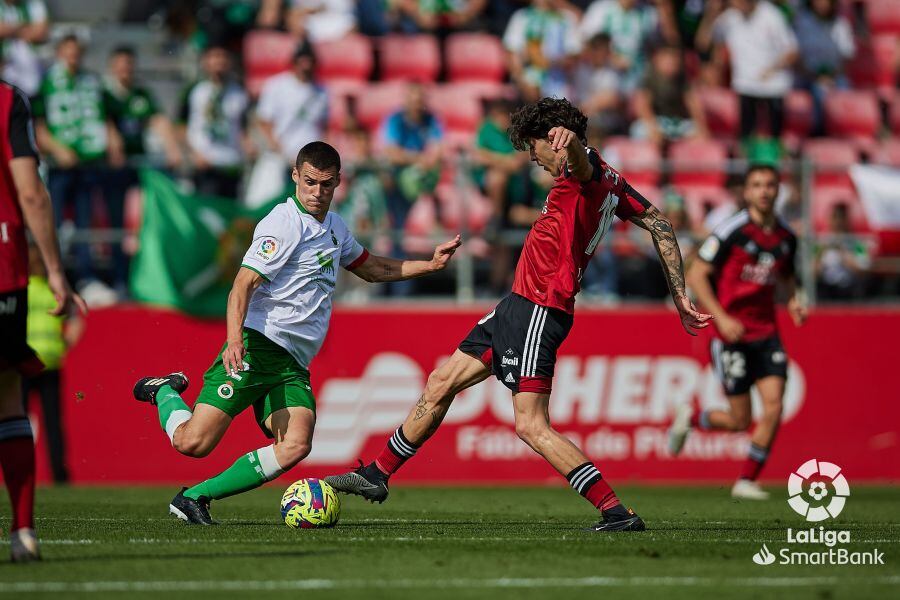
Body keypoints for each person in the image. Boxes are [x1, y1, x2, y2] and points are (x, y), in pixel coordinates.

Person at [325, 98, 711, 532]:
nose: (532, 157)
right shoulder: (611, 180)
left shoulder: (582, 173)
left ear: (554, 140)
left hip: (540, 309)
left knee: (530, 425)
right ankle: (377, 474)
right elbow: (660, 223)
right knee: (440, 383)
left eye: (534, 147)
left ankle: (616, 512)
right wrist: (680, 295)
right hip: (517, 304)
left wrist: (572, 144)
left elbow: (582, 163)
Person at [131, 141, 461, 525]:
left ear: (338, 182)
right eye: (310, 182)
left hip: (292, 364)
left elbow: (372, 269)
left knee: (296, 445)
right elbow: (242, 284)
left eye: (326, 184)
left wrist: (429, 265)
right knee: (193, 443)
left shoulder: (336, 227)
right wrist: (235, 340)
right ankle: (164, 391)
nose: (317, 192)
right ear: (295, 177)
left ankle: (195, 497)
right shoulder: (283, 224)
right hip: (257, 346)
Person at [669, 164, 807, 500]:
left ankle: (747, 480)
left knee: (773, 406)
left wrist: (793, 301)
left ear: (778, 190)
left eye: (770, 185)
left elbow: (787, 276)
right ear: (746, 192)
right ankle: (693, 418)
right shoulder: (732, 230)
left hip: (767, 332)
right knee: (740, 420)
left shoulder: (786, 238)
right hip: (731, 334)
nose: (764, 191)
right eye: (757, 185)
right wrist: (721, 318)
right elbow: (697, 273)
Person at [0, 78, 85, 562]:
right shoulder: (7, 100)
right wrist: (54, 268)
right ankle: (23, 531)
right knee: (8, 396)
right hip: (4, 265)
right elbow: (30, 192)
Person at [33, 34, 126, 306]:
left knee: (86, 224)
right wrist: (57, 148)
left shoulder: (91, 82)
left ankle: (86, 277)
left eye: (77, 51)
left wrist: (114, 141)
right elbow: (38, 123)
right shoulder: (47, 82)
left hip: (88, 164)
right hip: (59, 167)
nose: (73, 56)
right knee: (54, 222)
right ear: (60, 52)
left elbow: (105, 115)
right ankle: (53, 276)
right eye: (68, 51)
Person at [22, 242, 84, 484]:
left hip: (30, 362)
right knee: (50, 423)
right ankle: (57, 475)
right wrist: (65, 343)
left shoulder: (25, 288)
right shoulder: (53, 289)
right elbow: (77, 318)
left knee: (22, 421)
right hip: (45, 362)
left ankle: (22, 472)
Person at [696, 0, 798, 147]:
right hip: (745, 86)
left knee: (774, 141)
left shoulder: (772, 15)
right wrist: (710, 15)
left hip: (773, 87)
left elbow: (792, 51)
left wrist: (772, 69)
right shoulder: (730, 18)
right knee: (745, 140)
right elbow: (703, 44)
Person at [178, 44, 251, 199]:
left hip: (231, 163)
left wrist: (248, 146)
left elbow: (243, 128)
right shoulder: (195, 90)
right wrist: (193, 154)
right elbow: (180, 126)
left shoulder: (239, 92)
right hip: (205, 163)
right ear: (205, 61)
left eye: (223, 57)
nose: (219, 61)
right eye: (214, 56)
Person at [256, 41, 327, 168]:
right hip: (280, 155)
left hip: (310, 158)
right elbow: (264, 121)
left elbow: (324, 126)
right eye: (302, 62)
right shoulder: (276, 85)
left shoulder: (322, 91)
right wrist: (277, 148)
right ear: (294, 63)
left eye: (309, 62)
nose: (306, 67)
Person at [793, 0, 855, 135]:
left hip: (835, 76)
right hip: (807, 76)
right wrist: (814, 76)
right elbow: (795, 55)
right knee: (819, 91)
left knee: (844, 92)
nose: (821, 4)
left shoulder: (841, 24)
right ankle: (819, 131)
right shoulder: (802, 22)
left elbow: (847, 57)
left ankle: (841, 130)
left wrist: (831, 76)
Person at [630, 42, 709, 147]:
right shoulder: (649, 78)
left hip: (677, 123)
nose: (672, 62)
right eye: (668, 58)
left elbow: (694, 104)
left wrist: (702, 127)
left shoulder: (682, 79)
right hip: (657, 122)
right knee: (639, 130)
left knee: (698, 133)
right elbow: (642, 106)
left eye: (675, 58)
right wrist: (653, 128)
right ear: (657, 59)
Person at [503, 0, 582, 101]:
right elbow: (512, 54)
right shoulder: (522, 17)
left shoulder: (567, 18)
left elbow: (573, 58)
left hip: (559, 91)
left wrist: (546, 61)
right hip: (526, 89)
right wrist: (523, 84)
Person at [0, 0, 49, 97]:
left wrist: (9, 30)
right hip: (5, 64)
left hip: (32, 67)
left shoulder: (33, 3)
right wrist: (25, 28)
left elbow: (41, 32)